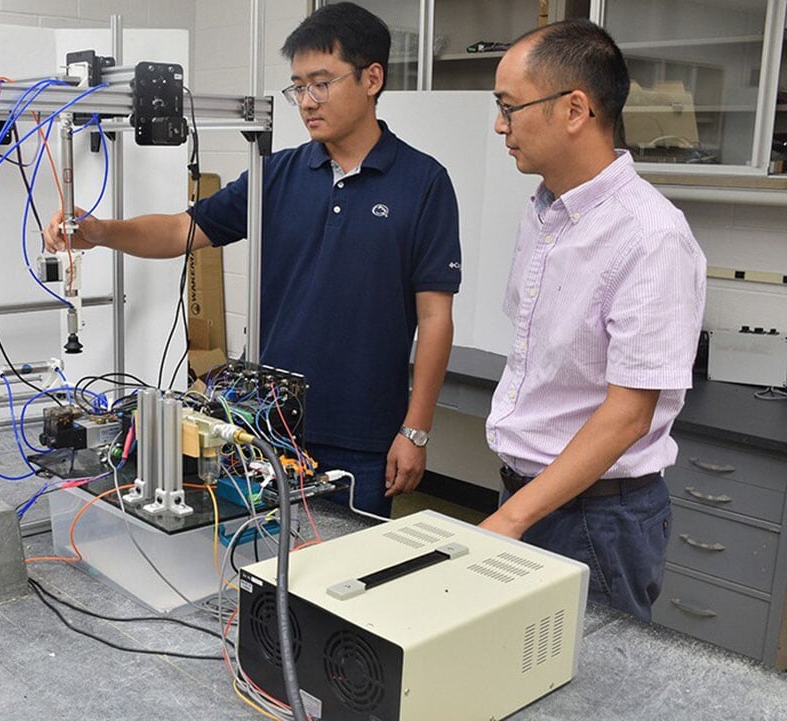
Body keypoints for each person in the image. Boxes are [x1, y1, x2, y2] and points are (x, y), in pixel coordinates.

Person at [43, 2, 461, 517]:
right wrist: (102, 232)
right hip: (264, 423)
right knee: (253, 567)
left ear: (372, 78)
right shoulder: (276, 175)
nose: (306, 101)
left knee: (339, 582)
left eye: (321, 83)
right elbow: (182, 228)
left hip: (364, 433)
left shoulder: (423, 183)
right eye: (298, 87)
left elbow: (435, 318)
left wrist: (414, 430)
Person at [482, 19, 707, 620]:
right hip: (531, 496)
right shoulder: (545, 211)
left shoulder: (651, 236)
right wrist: (516, 506)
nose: (500, 125)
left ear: (574, 109)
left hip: (597, 520)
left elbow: (628, 414)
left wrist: (511, 518)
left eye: (509, 107)